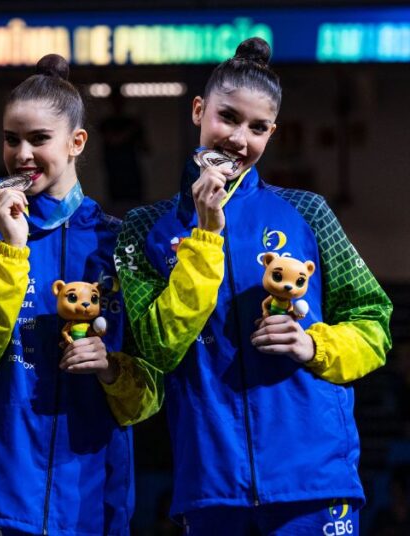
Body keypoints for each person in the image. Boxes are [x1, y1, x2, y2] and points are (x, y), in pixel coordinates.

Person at [116, 37, 392, 534]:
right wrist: (204, 236)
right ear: (199, 110)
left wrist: (313, 344)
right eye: (227, 117)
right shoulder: (144, 229)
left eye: (258, 128)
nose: (239, 140)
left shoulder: (307, 212)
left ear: (272, 133)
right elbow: (157, 349)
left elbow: (375, 326)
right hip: (212, 486)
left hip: (314, 482)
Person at [0, 54, 161, 535]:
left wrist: (109, 367)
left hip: (89, 502)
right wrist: (12, 250)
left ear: (76, 142)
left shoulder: (119, 242)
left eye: (39, 139)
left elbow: (148, 396)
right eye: (11, 138)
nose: (22, 154)